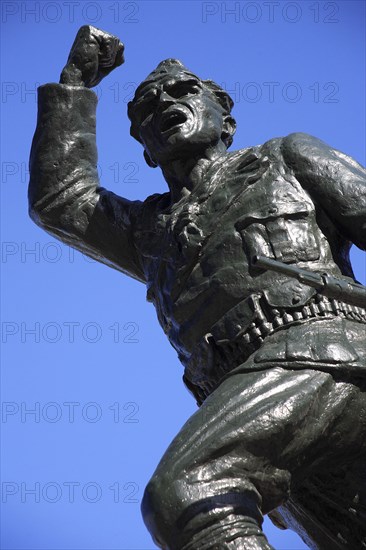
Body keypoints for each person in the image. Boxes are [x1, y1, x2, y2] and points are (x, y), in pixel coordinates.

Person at [29, 26, 366, 550]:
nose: (162, 102)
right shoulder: (148, 231)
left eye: (183, 90)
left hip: (327, 360)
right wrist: (74, 86)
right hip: (261, 419)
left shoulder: (284, 158)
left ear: (226, 118)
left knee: (189, 493)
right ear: (145, 151)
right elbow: (62, 200)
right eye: (143, 110)